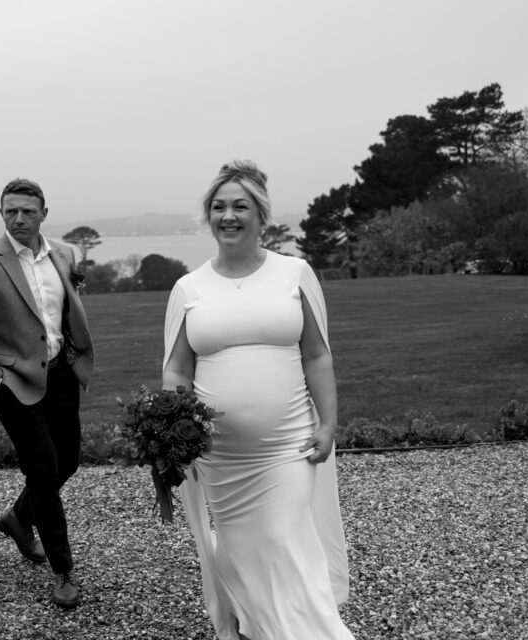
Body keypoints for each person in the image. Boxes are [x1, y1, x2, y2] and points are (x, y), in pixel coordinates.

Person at [162, 160, 353, 639]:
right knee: (239, 550)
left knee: (283, 539)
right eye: (219, 206)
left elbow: (317, 356)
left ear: (260, 216)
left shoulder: (296, 273)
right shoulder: (189, 287)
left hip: (288, 445)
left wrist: (328, 424)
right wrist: (172, 432)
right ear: (208, 216)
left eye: (240, 206)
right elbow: (178, 367)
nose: (229, 215)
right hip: (221, 456)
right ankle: (255, 627)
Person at [0, 177, 94, 609]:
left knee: (67, 459)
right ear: (1, 213)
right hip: (14, 383)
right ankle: (63, 571)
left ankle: (18, 517)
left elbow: (64, 309)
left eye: (27, 211)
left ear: (43, 215)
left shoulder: (65, 255)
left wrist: (74, 357)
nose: (19, 218)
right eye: (10, 210)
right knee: (44, 469)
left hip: (61, 373)